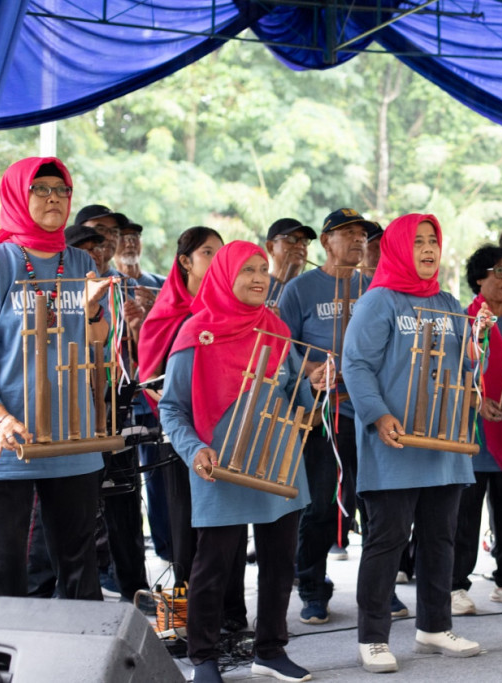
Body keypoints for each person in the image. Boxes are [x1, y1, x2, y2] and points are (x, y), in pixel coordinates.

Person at [159, 241, 323, 683]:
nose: (258, 278)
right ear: (224, 275)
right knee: (212, 567)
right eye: (247, 269)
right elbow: (171, 408)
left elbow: (296, 394)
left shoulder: (276, 329)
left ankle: (270, 651)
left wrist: (314, 385)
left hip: (278, 463)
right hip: (219, 467)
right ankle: (203, 659)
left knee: (280, 563)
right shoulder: (196, 332)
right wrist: (194, 450)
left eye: (263, 270)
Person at [0, 156, 111, 599]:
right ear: (16, 196)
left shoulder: (80, 262)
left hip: (72, 439)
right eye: (40, 189)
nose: (53, 198)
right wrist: (0, 416)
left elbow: (98, 341)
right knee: (0, 575)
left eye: (61, 190)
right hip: (4, 442)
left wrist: (93, 309)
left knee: (80, 574)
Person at [343, 213, 487, 673]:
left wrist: (476, 348)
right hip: (396, 442)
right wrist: (378, 414)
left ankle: (434, 626)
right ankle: (373, 637)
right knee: (387, 540)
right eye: (418, 241)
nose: (427, 249)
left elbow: (465, 368)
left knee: (441, 538)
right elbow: (356, 365)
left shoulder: (448, 302)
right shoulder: (378, 301)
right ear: (398, 248)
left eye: (433, 241)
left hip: (443, 443)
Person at [136, 227, 249, 628]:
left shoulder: (231, 310)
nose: (217, 260)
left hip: (225, 436)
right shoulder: (166, 314)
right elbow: (150, 379)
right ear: (185, 261)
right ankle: (186, 624)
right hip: (181, 440)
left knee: (231, 528)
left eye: (221, 253)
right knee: (185, 531)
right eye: (207, 252)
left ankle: (233, 618)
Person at [279, 208, 381, 624]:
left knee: (376, 504)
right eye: (348, 233)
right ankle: (311, 587)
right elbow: (281, 346)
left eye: (363, 235)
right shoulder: (300, 289)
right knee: (321, 505)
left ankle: (379, 590)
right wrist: (311, 370)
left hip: (371, 411)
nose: (358, 240)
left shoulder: (374, 288)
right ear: (326, 241)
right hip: (324, 411)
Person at [450, 245, 502, 616]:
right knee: (465, 515)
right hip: (474, 433)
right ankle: (455, 585)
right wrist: (475, 400)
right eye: (499, 272)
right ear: (479, 279)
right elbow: (449, 372)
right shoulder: (463, 319)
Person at [265, 218, 316, 301]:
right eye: (291, 239)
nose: (300, 246)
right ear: (270, 247)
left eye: (305, 241)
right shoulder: (259, 286)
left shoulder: (312, 291)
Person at [75, 204, 128, 278]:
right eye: (100, 229)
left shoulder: (126, 282)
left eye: (115, 231)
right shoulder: (61, 279)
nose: (110, 237)